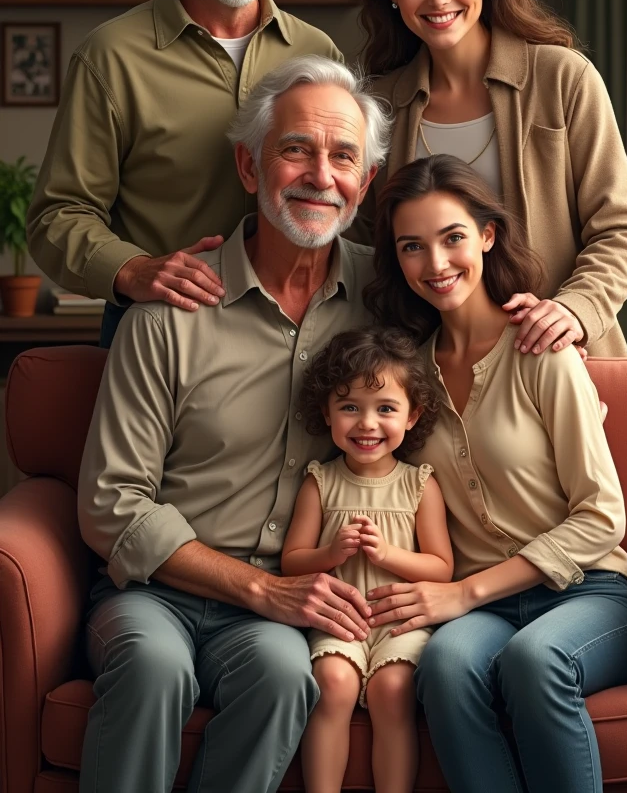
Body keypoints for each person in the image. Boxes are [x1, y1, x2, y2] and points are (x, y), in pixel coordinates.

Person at [76, 56, 391, 793]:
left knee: (287, 677)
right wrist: (262, 589)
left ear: (366, 183)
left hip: (279, 613)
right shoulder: (169, 311)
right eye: (295, 149)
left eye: (344, 155)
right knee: (154, 665)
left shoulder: (388, 302)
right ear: (250, 166)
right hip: (155, 593)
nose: (321, 174)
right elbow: (110, 504)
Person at [363, 154, 627, 793]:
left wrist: (463, 594)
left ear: (487, 236)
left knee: (534, 658)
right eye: (413, 247)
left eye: (453, 238)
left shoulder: (544, 350)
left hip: (589, 592)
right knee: (443, 663)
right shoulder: (405, 375)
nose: (436, 264)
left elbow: (603, 516)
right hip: (484, 606)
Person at [28, 0, 343, 348]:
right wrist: (133, 270)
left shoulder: (318, 53)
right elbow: (57, 217)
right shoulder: (111, 55)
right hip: (160, 330)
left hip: (300, 328)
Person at [350, 0, 627, 357]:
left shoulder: (562, 77)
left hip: (560, 363)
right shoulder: (378, 105)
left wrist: (574, 308)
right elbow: (361, 245)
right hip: (430, 373)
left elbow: (624, 229)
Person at [282, 327, 453, 793]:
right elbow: (292, 561)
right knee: (331, 684)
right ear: (327, 413)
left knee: (392, 691)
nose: (367, 424)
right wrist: (330, 553)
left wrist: (390, 554)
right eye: (349, 407)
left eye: (386, 409)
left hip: (401, 622)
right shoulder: (321, 480)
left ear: (413, 415)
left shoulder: (420, 484)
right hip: (340, 620)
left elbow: (442, 568)